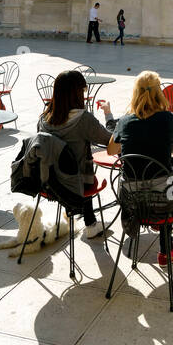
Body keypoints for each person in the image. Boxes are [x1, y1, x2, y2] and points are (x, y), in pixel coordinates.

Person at [108, 70, 173, 265]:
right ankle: (166, 249)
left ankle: (157, 228)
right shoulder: (168, 119)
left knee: (156, 174)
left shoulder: (125, 121)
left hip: (132, 202)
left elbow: (111, 150)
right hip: (165, 203)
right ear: (158, 92)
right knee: (171, 170)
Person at [38, 69, 116, 239]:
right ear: (77, 93)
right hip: (78, 186)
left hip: (49, 183)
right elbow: (111, 141)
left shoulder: (43, 118)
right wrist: (108, 114)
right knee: (83, 169)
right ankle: (91, 224)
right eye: (83, 90)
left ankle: (84, 217)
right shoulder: (83, 119)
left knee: (73, 164)